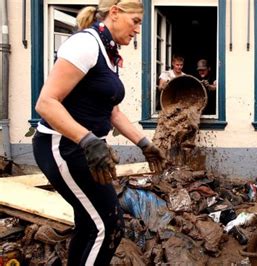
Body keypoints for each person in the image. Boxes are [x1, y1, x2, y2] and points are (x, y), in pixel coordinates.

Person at [32, 1, 164, 265]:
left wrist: (144, 143)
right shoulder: (85, 45)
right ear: (114, 13)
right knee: (109, 225)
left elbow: (113, 112)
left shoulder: (108, 51)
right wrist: (88, 140)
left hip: (86, 151)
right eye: (135, 21)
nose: (138, 29)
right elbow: (45, 103)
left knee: (89, 224)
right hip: (62, 147)